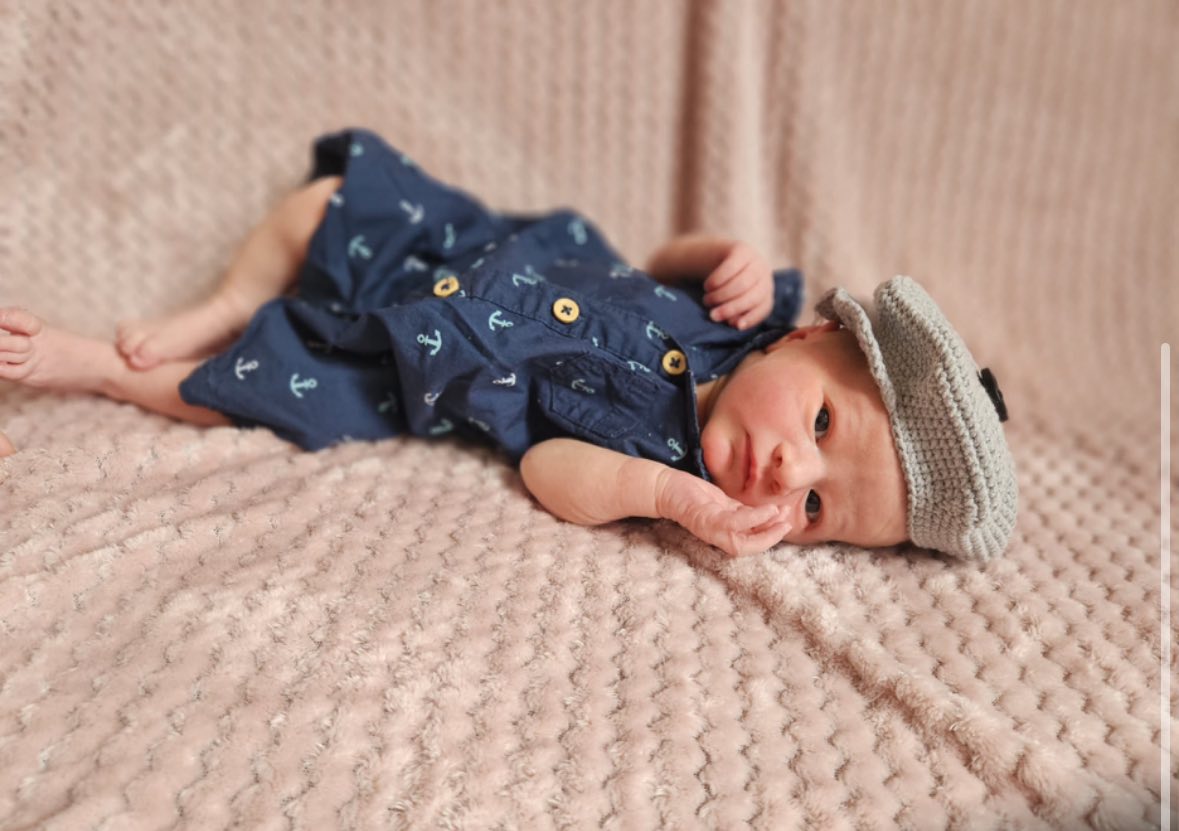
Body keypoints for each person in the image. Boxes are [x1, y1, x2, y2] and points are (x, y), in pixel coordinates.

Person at [0, 129, 1017, 561]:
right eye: (823, 424)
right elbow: (660, 259)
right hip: (471, 248)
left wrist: (677, 501)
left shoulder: (661, 466)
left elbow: (546, 469)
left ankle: (106, 370)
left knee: (256, 391)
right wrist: (724, 254)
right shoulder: (739, 313)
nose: (790, 475)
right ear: (805, 336)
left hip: (413, 375)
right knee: (329, 204)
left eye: (816, 511)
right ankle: (223, 301)